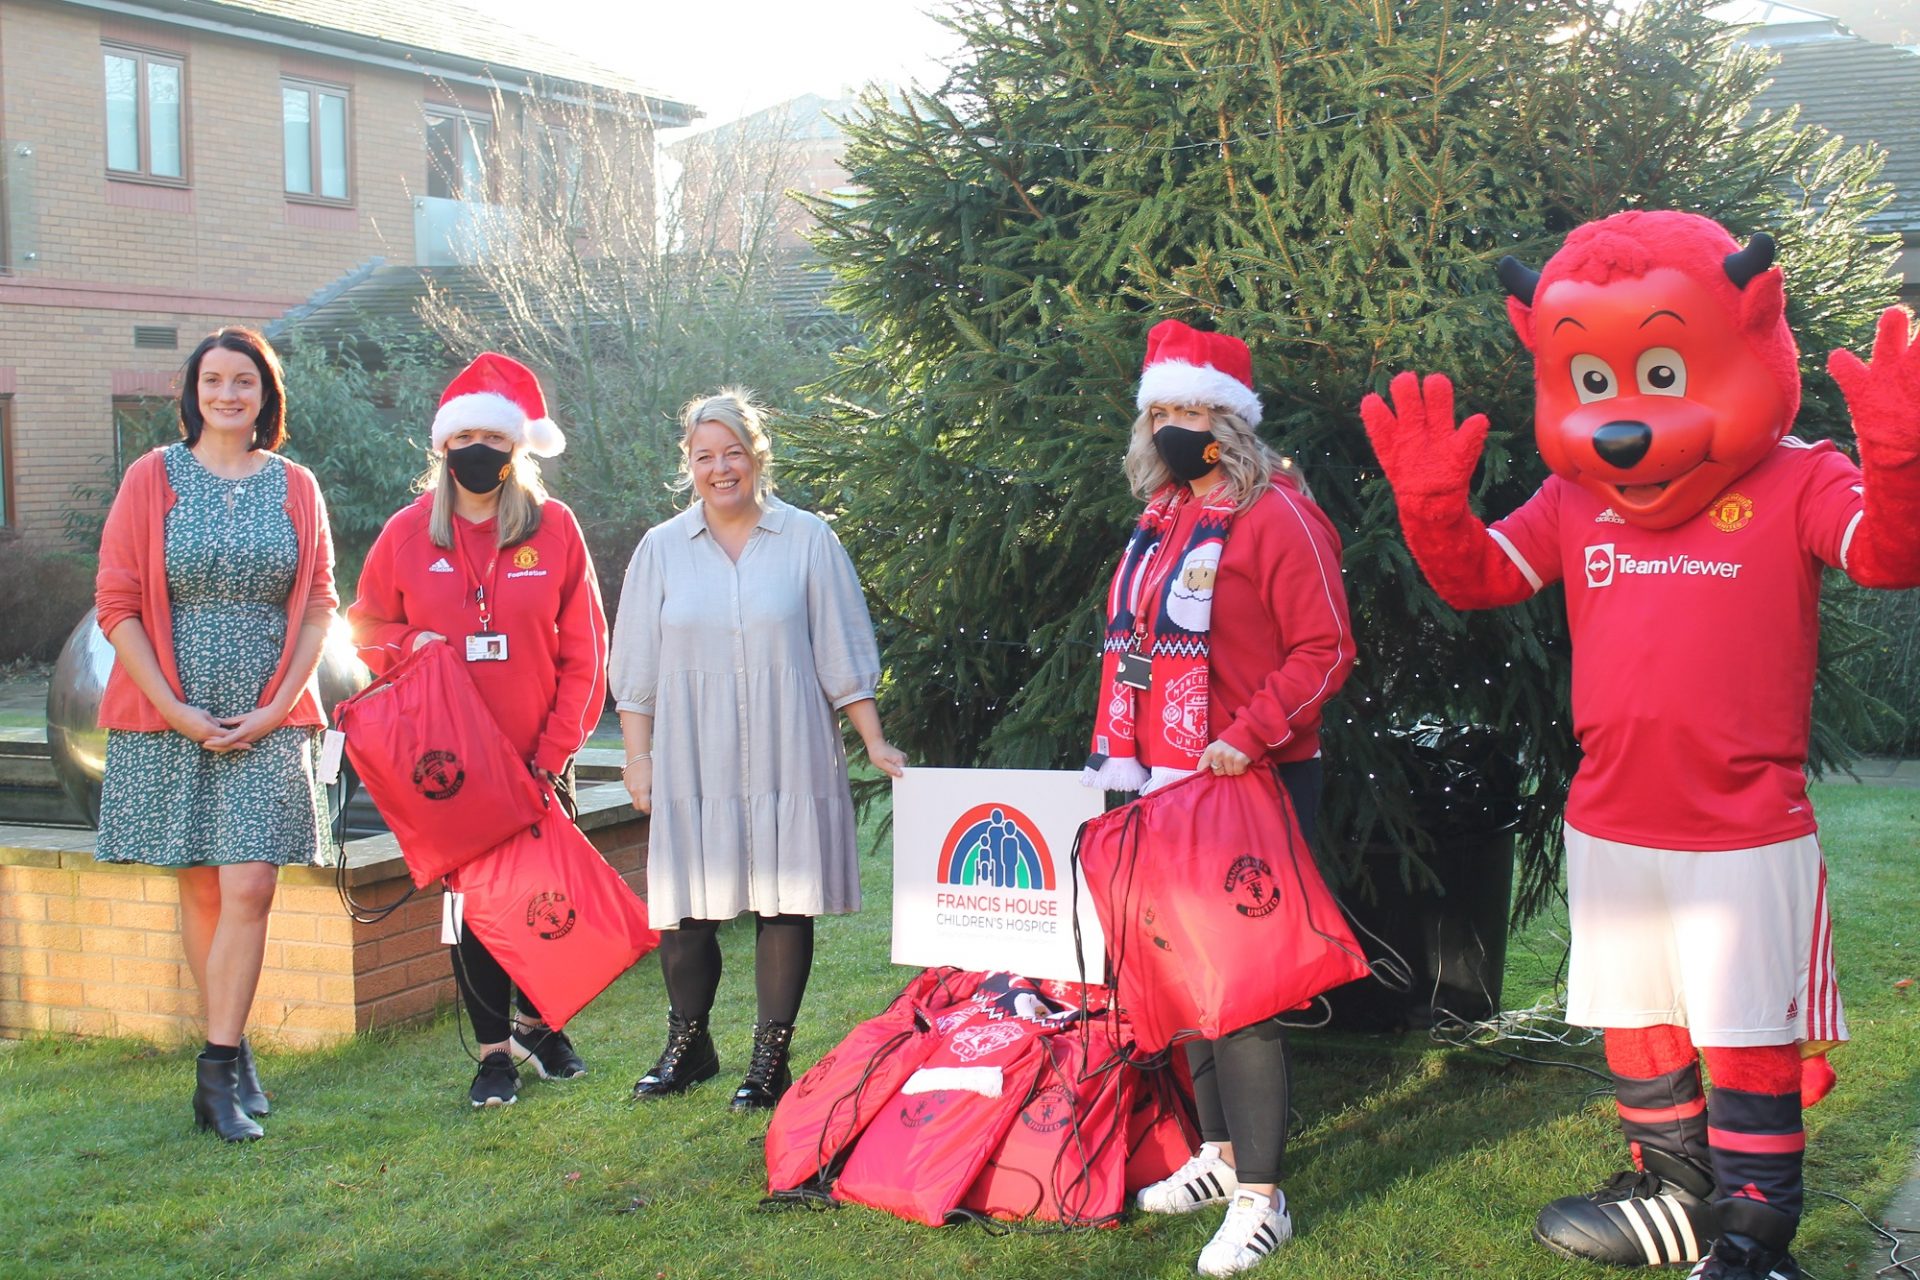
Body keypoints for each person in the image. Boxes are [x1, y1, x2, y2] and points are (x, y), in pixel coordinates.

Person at [1082, 319, 1354, 1277]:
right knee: (1182, 974)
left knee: (1240, 993)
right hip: (1158, 782)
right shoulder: (1160, 521)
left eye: (1191, 410)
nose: (1172, 427)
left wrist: (1245, 735)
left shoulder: (1277, 515)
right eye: (1159, 410)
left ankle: (1262, 1198)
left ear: (1232, 421)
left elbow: (1325, 651)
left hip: (1251, 781)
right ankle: (1218, 1154)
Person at [610, 388, 906, 1112]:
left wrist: (872, 739)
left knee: (783, 902)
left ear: (756, 456)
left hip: (788, 741)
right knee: (684, 912)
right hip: (692, 751)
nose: (721, 468)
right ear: (689, 464)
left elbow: (841, 646)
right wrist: (638, 757)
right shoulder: (660, 550)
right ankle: (689, 1046)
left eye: (733, 452)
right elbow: (637, 668)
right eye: (705, 456)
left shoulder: (808, 540)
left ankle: (769, 1058)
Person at [94, 326, 339, 1143]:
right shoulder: (150, 477)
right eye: (213, 381)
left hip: (266, 713)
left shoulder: (297, 485)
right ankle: (232, 1056)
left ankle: (214, 1070)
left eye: (245, 381)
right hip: (173, 709)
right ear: (193, 393)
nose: (229, 394)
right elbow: (118, 602)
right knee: (200, 886)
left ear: (266, 394)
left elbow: (317, 607)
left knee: (251, 887)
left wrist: (276, 707)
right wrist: (173, 708)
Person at [349, 352, 608, 1108]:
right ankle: (493, 1053)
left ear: (516, 448)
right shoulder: (405, 534)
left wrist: (552, 755)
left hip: (534, 759)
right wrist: (407, 647)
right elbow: (361, 627)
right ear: (440, 447)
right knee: (473, 911)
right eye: (461, 438)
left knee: (540, 897)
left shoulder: (555, 530)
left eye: (491, 439)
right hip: (451, 769)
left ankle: (537, 1023)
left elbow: (586, 653)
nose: (476, 452)